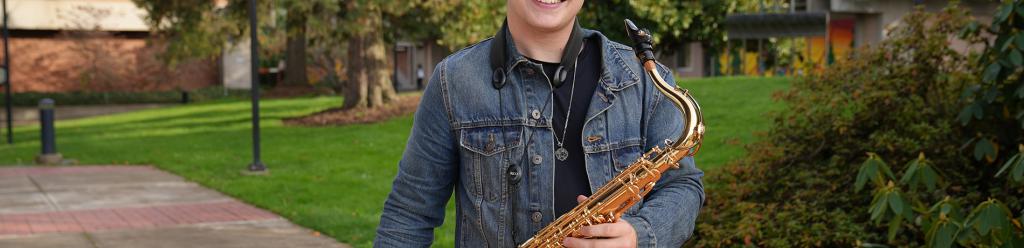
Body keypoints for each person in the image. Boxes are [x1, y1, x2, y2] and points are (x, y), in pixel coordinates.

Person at [375, 1, 704, 247]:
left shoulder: (643, 78)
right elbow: (409, 214)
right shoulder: (455, 81)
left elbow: (683, 186)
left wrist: (639, 235)